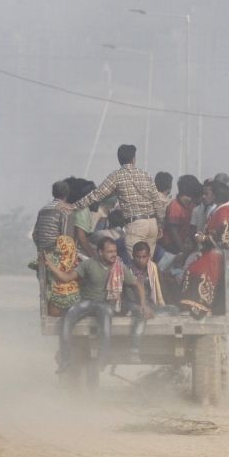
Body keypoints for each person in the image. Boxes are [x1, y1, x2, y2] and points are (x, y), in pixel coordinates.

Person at [46, 236, 153, 369]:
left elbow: (138, 285)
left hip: (105, 304)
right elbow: (66, 277)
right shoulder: (88, 264)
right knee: (67, 320)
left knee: (106, 326)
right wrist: (50, 265)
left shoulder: (119, 267)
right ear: (100, 252)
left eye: (115, 251)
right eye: (109, 252)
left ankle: (102, 360)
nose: (113, 254)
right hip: (87, 302)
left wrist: (143, 304)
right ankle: (66, 360)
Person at [68, 144, 166, 258]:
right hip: (152, 224)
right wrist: (159, 225)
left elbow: (97, 194)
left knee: (135, 265)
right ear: (134, 159)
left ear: (119, 160)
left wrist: (74, 206)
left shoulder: (117, 176)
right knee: (147, 264)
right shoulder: (146, 175)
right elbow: (157, 203)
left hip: (136, 225)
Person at [180, 180, 229, 319]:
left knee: (195, 270)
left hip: (219, 254)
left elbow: (224, 241)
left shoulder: (223, 212)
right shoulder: (223, 210)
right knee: (191, 265)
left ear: (214, 196)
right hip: (215, 251)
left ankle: (201, 306)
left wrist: (203, 239)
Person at [32, 180, 79, 316]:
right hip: (57, 256)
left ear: (53, 193)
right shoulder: (66, 210)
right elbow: (67, 239)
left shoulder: (43, 210)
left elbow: (36, 234)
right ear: (67, 194)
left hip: (42, 255)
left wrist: (42, 250)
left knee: (46, 287)